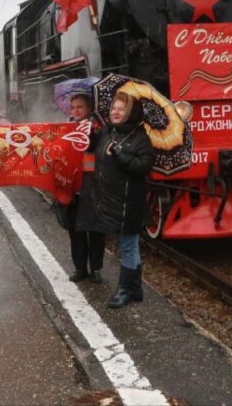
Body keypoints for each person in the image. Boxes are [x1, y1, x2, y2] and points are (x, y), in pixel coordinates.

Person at [88, 91, 154, 309]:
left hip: (128, 203)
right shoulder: (107, 131)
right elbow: (91, 149)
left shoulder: (140, 137)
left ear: (130, 112)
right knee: (126, 244)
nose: (115, 112)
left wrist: (119, 154)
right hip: (109, 200)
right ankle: (135, 289)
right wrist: (89, 135)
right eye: (114, 108)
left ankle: (125, 290)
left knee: (128, 245)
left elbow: (144, 166)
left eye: (121, 109)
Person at [66, 93, 105, 283]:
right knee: (76, 231)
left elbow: (93, 147)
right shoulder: (66, 128)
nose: (75, 112)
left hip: (94, 186)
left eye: (79, 108)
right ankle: (80, 268)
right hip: (74, 186)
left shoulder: (99, 128)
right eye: (73, 108)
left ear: (89, 109)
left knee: (96, 230)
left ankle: (96, 268)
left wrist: (87, 132)